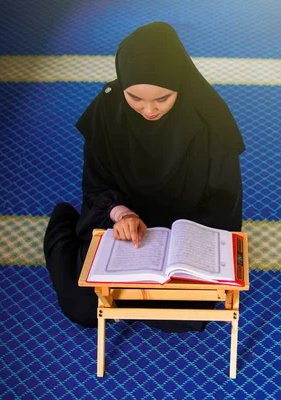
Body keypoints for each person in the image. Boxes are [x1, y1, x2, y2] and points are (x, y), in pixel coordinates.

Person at [43, 22, 245, 332]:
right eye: (134, 98)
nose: (148, 110)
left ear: (180, 83)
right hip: (123, 227)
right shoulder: (108, 110)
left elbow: (224, 198)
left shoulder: (210, 119)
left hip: (188, 227)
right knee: (83, 308)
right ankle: (64, 224)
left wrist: (190, 241)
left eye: (162, 99)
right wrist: (120, 213)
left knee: (180, 316)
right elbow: (96, 184)